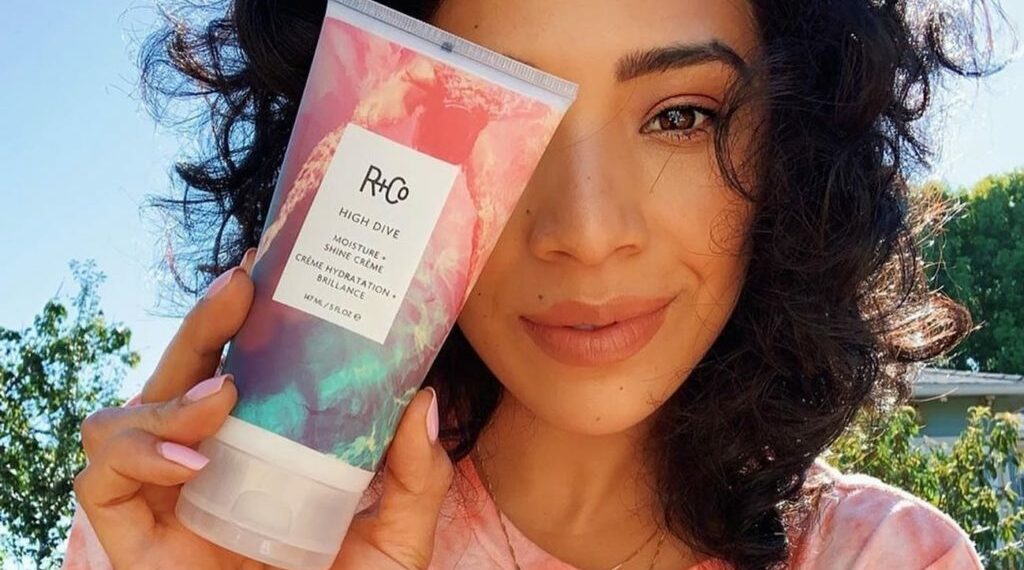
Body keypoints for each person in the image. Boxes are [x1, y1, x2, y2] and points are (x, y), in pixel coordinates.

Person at [62, 0, 1006, 568]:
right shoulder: (202, 539)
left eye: (680, 117)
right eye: (500, 128)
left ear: (794, 145)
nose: (585, 235)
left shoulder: (883, 557)